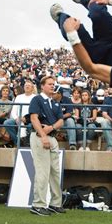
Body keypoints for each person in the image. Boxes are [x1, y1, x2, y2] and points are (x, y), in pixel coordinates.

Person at [28, 76, 65, 216]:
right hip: (39, 137)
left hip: (53, 137)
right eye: (49, 84)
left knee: (55, 172)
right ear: (42, 86)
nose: (52, 86)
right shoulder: (37, 99)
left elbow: (61, 121)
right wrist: (43, 135)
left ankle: (55, 204)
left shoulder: (55, 102)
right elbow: (33, 118)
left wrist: (51, 128)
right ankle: (38, 205)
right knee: (42, 172)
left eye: (53, 84)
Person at [3, 80, 36, 147]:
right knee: (7, 123)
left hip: (30, 120)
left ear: (32, 88)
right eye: (26, 85)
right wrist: (16, 118)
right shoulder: (19, 97)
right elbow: (13, 110)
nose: (27, 87)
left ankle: (28, 144)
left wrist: (26, 119)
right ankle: (18, 142)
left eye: (29, 86)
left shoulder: (35, 98)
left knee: (30, 126)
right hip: (18, 118)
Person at [52, 85, 77, 150]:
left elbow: (69, 113)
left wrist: (60, 117)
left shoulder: (67, 100)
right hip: (53, 120)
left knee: (70, 120)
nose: (52, 94)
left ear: (59, 93)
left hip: (64, 121)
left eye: (54, 93)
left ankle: (72, 144)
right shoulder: (50, 100)